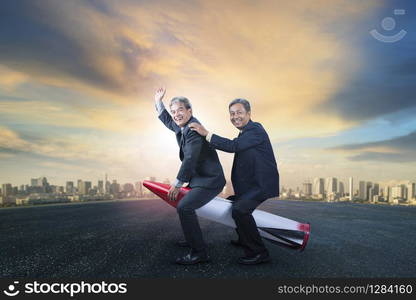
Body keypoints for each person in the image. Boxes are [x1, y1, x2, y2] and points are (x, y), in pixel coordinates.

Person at [189, 98, 279, 265]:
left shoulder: (255, 130)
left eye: (239, 112)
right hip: (252, 184)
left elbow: (232, 146)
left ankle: (259, 252)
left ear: (249, 114)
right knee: (233, 203)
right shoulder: (245, 132)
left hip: (262, 184)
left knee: (240, 210)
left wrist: (206, 134)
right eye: (232, 113)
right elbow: (235, 146)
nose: (235, 116)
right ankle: (244, 239)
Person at [154, 87, 226, 265]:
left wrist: (177, 183)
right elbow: (169, 122)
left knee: (184, 207)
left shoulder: (193, 129)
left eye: (180, 110)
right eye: (173, 111)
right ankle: (192, 239)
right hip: (199, 179)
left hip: (210, 180)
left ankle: (199, 253)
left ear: (189, 111)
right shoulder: (183, 125)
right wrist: (158, 102)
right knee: (183, 205)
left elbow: (190, 159)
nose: (176, 114)